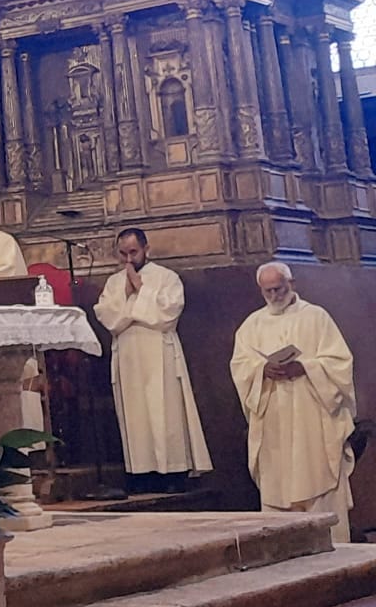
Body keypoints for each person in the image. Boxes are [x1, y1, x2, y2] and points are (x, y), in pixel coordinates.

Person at [230, 262, 356, 540]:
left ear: (292, 284)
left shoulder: (316, 317)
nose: (274, 295)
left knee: (319, 480)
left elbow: (339, 363)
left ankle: (335, 548)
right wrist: (262, 370)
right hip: (274, 416)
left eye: (279, 288)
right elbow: (240, 365)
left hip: (312, 415)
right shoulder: (252, 325)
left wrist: (306, 367)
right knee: (279, 483)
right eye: (268, 291)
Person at [93, 229, 211, 488]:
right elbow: (107, 317)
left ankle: (173, 473)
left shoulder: (167, 277)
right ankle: (140, 473)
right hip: (128, 353)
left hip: (159, 351)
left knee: (164, 410)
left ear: (146, 249)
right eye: (122, 254)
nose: (128, 259)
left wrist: (141, 291)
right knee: (135, 415)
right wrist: (127, 295)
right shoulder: (114, 283)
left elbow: (167, 315)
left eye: (133, 252)